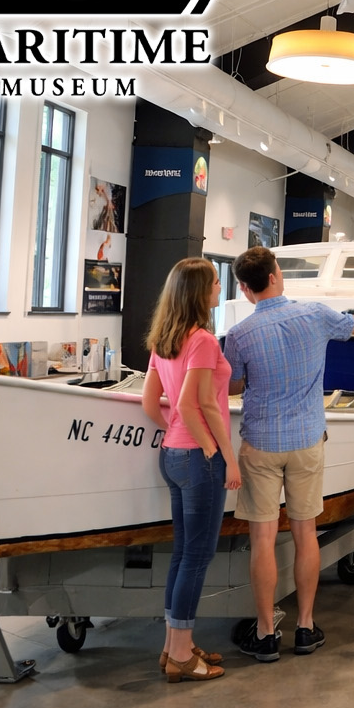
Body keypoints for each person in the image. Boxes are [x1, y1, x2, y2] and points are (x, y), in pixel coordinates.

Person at [223, 246, 354, 662]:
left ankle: (267, 631)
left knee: (263, 540)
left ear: (245, 287)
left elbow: (232, 386)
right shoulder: (314, 315)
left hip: (260, 444)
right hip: (307, 441)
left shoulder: (238, 336)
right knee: (307, 533)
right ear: (275, 275)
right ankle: (305, 627)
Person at [140, 257, 241, 683]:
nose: (221, 287)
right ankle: (182, 654)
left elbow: (152, 405)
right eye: (216, 282)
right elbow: (195, 405)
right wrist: (221, 454)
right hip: (200, 460)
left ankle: (173, 646)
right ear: (200, 292)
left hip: (172, 455)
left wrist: (178, 435)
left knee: (183, 555)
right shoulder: (201, 341)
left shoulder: (163, 339)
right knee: (197, 558)